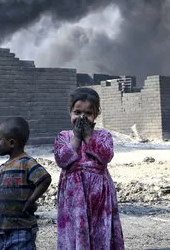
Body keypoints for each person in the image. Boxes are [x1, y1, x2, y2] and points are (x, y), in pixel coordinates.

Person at [54, 87, 125, 249]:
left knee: (100, 230)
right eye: (77, 112)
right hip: (73, 196)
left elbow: (106, 156)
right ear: (70, 111)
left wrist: (88, 137)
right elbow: (62, 159)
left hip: (99, 195)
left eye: (88, 113)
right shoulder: (63, 137)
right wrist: (77, 138)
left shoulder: (103, 136)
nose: (82, 117)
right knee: (75, 231)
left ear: (96, 114)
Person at [0, 117, 52, 250]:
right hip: (1, 229)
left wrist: (31, 200)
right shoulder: (2, 168)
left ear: (11, 143)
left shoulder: (26, 163)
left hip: (21, 229)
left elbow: (45, 179)